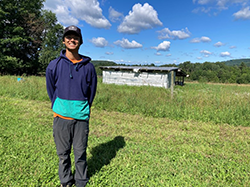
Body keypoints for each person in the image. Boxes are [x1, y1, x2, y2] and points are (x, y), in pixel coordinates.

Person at [46, 25, 97, 187]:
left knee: (80, 153)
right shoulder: (54, 65)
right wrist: (58, 107)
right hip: (61, 117)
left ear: (80, 42)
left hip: (81, 118)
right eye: (68, 37)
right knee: (63, 154)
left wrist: (83, 109)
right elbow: (51, 89)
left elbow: (91, 92)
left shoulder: (89, 67)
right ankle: (66, 181)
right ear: (63, 41)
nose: (72, 40)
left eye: (75, 37)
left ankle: (81, 181)